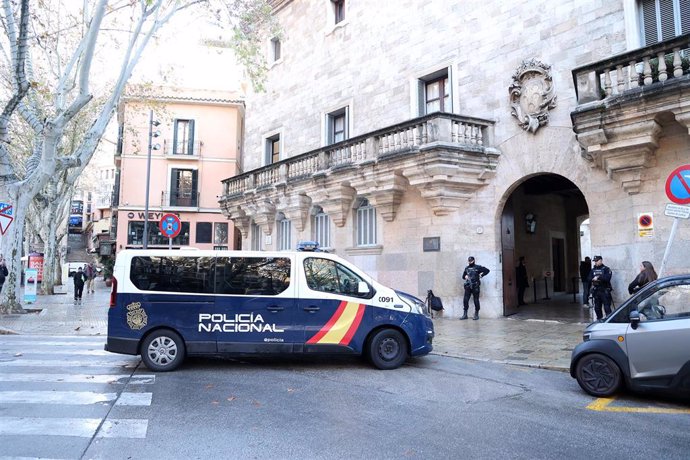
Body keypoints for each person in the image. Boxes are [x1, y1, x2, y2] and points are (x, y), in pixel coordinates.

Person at [460, 256, 490, 320]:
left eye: (471, 261)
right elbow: (463, 276)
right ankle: (465, 314)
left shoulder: (478, 267)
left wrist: (481, 275)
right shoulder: (467, 268)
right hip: (468, 286)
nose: (470, 262)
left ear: (473, 260)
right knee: (465, 300)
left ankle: (476, 314)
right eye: (469, 261)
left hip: (475, 286)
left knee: (476, 300)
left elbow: (487, 270)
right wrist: (465, 277)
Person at [587, 255, 613, 321]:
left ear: (601, 261)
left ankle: (609, 321)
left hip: (604, 291)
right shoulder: (593, 270)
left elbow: (607, 278)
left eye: (597, 261)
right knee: (597, 308)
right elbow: (588, 278)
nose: (595, 262)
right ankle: (599, 320)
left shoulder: (606, 269)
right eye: (594, 261)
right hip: (596, 291)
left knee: (607, 308)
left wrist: (599, 277)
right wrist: (592, 279)